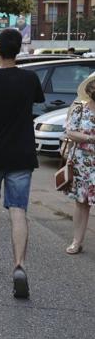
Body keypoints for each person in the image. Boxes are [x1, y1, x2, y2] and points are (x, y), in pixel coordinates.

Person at [0, 28, 45, 299]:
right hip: (22, 153)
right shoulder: (30, 79)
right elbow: (36, 104)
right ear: (19, 50)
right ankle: (20, 265)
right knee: (18, 210)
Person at [63, 74, 95, 254]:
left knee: (85, 203)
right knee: (81, 203)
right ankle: (77, 241)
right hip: (82, 163)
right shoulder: (79, 110)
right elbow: (70, 132)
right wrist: (91, 138)